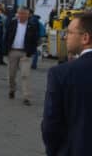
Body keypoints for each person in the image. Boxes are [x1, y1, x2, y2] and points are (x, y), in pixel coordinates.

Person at [41, 12, 92, 156]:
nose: (64, 37)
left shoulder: (61, 74)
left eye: (69, 32)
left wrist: (55, 151)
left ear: (85, 38)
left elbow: (51, 125)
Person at [4, 7, 40, 106]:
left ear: (28, 15)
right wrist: (6, 50)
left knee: (25, 75)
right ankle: (12, 89)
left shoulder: (32, 26)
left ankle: (26, 97)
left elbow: (35, 40)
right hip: (13, 51)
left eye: (24, 14)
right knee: (11, 74)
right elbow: (6, 36)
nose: (22, 16)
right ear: (17, 14)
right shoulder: (12, 24)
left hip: (25, 53)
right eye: (20, 13)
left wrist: (30, 52)